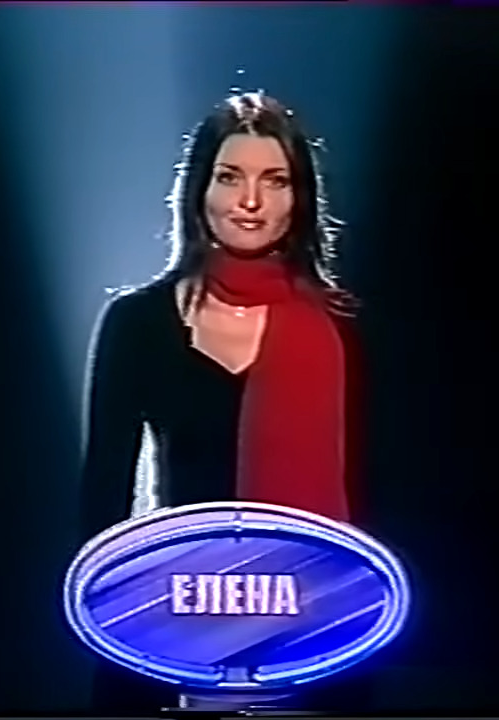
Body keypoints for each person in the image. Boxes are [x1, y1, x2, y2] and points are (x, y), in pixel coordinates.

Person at [77, 91, 371, 713]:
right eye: (230, 176)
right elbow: (102, 498)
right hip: (174, 619)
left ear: (299, 198)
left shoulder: (344, 328)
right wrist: (118, 630)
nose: (250, 201)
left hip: (321, 622)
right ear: (199, 190)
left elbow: (379, 492)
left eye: (275, 181)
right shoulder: (140, 321)